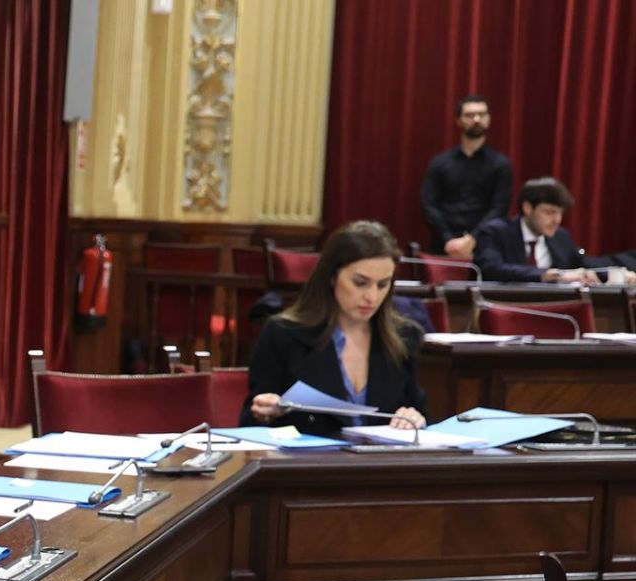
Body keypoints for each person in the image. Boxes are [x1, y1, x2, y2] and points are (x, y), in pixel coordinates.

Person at [242, 221, 427, 437]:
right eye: (360, 283)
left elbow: (420, 414)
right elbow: (249, 423)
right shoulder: (283, 333)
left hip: (381, 465)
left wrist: (415, 418)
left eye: (383, 284)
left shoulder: (405, 337)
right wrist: (264, 412)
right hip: (309, 465)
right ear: (332, 277)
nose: (372, 297)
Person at [420, 95, 512, 252]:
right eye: (470, 115)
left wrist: (472, 239)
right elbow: (429, 204)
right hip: (444, 245)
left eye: (482, 115)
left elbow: (499, 208)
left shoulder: (501, 164)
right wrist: (447, 238)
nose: (477, 119)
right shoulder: (440, 162)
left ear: (489, 119)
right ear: (458, 121)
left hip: (486, 244)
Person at [472, 178, 598, 284]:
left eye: (560, 213)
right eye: (549, 212)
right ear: (527, 208)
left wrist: (603, 273)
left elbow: (583, 263)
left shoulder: (561, 237)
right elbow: (491, 269)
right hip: (505, 306)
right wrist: (547, 275)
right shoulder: (495, 232)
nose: (557, 220)